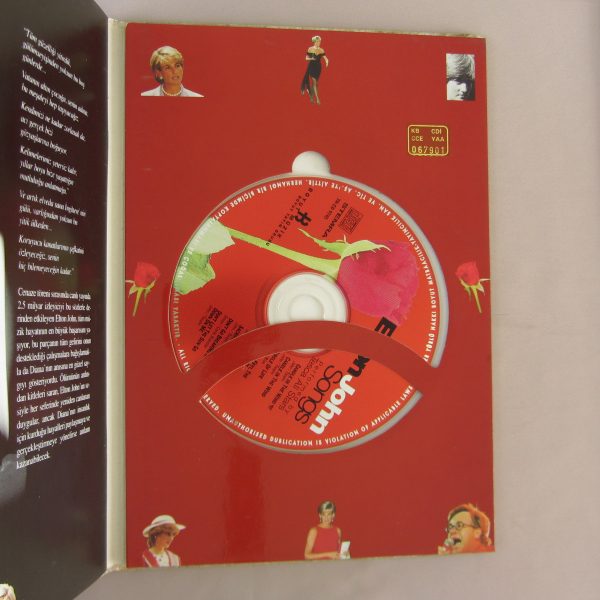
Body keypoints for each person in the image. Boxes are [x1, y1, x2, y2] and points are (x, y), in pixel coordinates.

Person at [300, 36, 329, 105]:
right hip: (311, 66)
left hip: (318, 67)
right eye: (317, 41)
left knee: (315, 83)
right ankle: (317, 98)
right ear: (314, 42)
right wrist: (311, 59)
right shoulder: (310, 49)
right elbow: (306, 58)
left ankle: (311, 96)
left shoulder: (321, 50)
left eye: (319, 41)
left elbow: (325, 58)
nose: (319, 43)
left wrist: (327, 62)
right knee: (314, 82)